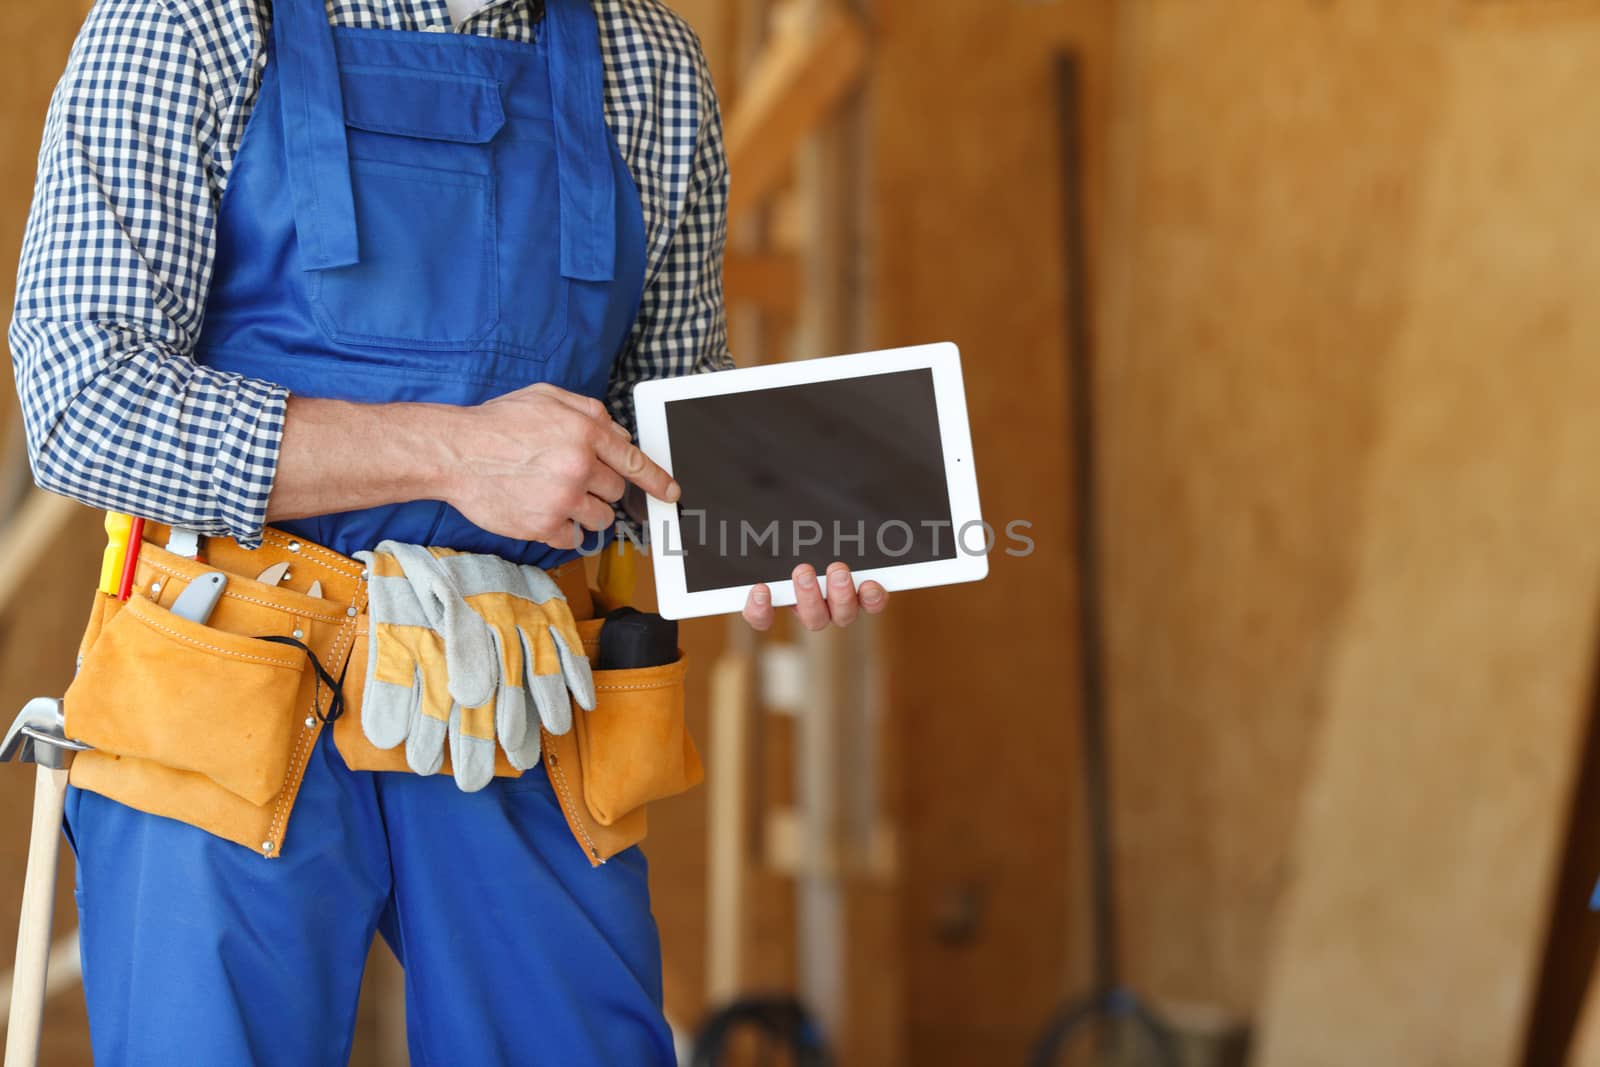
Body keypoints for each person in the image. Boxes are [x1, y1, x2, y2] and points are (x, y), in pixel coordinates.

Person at [8, 0, 887, 1062]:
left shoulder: (645, 60)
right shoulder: (190, 19)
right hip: (227, 684)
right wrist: (450, 452)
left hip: (516, 691)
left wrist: (759, 528)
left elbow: (658, 413)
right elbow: (83, 403)